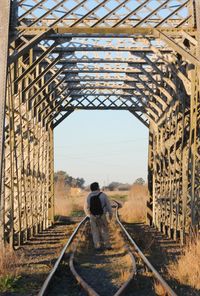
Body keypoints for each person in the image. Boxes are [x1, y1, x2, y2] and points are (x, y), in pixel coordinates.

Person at [84, 182, 113, 250]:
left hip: (93, 216)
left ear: (91, 188)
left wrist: (89, 215)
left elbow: (86, 207)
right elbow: (108, 206)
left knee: (95, 231)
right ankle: (107, 245)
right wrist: (110, 215)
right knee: (104, 230)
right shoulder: (103, 195)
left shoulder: (88, 196)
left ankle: (97, 246)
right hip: (102, 215)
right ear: (98, 187)